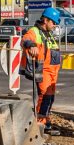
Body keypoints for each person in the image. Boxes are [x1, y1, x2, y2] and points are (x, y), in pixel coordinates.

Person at [20, 7, 63, 135]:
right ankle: (40, 123)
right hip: (44, 71)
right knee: (45, 96)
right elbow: (25, 40)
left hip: (52, 72)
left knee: (50, 98)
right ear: (46, 20)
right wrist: (31, 45)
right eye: (53, 22)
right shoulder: (35, 31)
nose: (55, 25)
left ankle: (46, 121)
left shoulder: (48, 34)